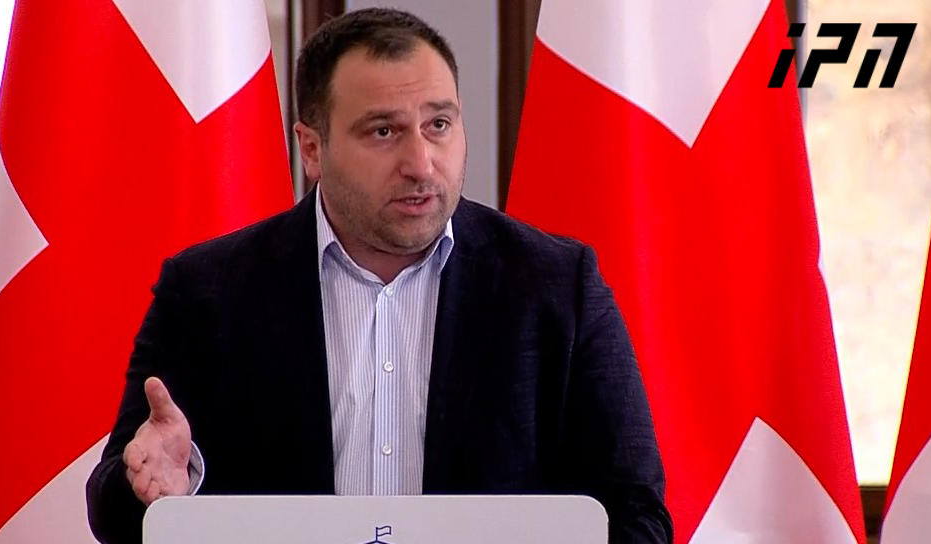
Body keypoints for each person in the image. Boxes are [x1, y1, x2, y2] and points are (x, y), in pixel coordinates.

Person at [86, 8, 672, 544]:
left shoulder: (557, 287)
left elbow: (639, 514)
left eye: (438, 125)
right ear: (311, 150)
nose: (420, 164)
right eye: (383, 132)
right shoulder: (207, 293)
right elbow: (113, 510)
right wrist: (161, 486)